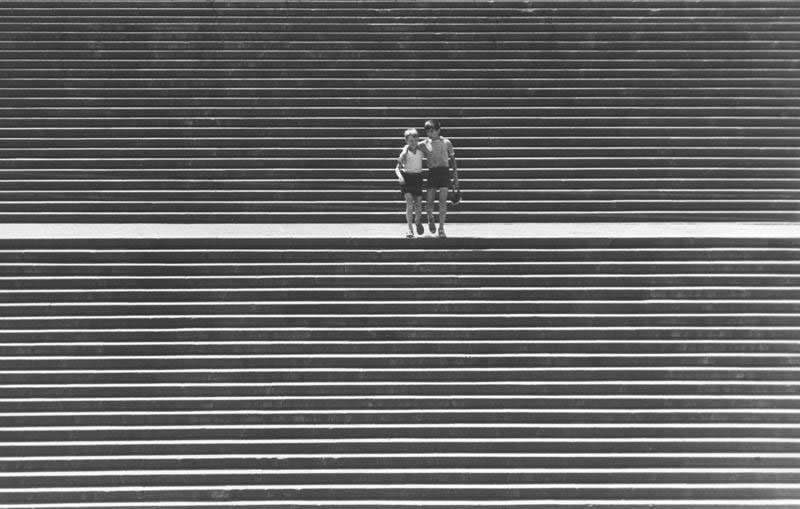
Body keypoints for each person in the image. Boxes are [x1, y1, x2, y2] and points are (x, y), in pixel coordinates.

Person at [421, 119, 459, 238]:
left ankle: (441, 227)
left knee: (442, 201)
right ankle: (430, 217)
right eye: (427, 131)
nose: (429, 134)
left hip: (444, 172)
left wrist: (455, 177)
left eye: (432, 131)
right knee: (429, 203)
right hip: (432, 172)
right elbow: (411, 145)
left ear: (438, 130)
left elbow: (452, 160)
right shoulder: (424, 143)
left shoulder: (446, 142)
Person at [394, 128, 425, 238]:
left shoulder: (421, 150)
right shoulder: (405, 152)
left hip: (417, 178)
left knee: (419, 206)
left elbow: (429, 145)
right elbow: (397, 168)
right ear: (406, 141)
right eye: (411, 140)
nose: (414, 142)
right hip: (407, 178)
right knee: (409, 204)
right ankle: (409, 229)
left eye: (416, 140)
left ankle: (417, 221)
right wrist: (400, 177)